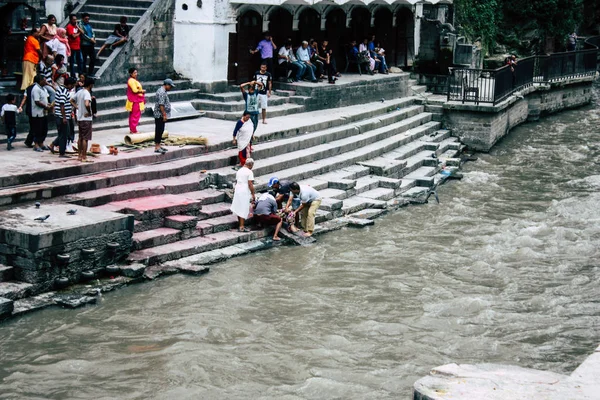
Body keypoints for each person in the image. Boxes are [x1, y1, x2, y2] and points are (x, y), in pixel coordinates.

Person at [51, 76, 76, 157]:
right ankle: (62, 152)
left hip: (61, 116)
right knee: (64, 135)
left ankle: (53, 144)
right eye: (72, 85)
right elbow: (62, 105)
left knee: (64, 133)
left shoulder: (61, 88)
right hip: (62, 116)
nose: (72, 87)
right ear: (69, 84)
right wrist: (64, 117)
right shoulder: (63, 91)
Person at [71, 77, 94, 162]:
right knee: (85, 138)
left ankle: (79, 155)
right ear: (91, 85)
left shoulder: (79, 91)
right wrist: (89, 112)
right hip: (86, 118)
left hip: (80, 117)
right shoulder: (87, 93)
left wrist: (77, 107)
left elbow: (71, 100)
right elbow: (87, 104)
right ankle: (84, 156)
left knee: (80, 137)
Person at [230, 157, 256, 232]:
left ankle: (240, 225)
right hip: (244, 190)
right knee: (243, 208)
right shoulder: (249, 172)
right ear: (250, 165)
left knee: (239, 207)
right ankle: (241, 226)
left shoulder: (239, 171)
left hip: (238, 189)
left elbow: (237, 181)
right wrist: (253, 194)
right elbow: (250, 184)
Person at [31, 74, 53, 152]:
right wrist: (45, 106)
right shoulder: (36, 89)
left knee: (44, 129)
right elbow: (37, 101)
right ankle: (36, 144)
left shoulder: (44, 89)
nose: (45, 82)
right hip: (37, 113)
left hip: (44, 113)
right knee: (38, 129)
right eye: (44, 80)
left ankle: (41, 143)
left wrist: (49, 105)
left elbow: (45, 99)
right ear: (40, 81)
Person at [153, 78, 175, 154]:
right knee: (159, 130)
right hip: (160, 115)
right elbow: (161, 105)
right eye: (170, 86)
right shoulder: (162, 92)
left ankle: (158, 145)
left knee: (161, 130)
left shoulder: (163, 91)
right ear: (166, 85)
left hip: (160, 114)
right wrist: (164, 115)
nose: (171, 88)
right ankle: (157, 147)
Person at [125, 67, 145, 134]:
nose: (136, 74)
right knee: (135, 115)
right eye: (134, 73)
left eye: (136, 72)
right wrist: (142, 91)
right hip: (135, 100)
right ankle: (133, 130)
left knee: (133, 115)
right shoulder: (131, 81)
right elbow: (134, 90)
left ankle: (132, 129)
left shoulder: (133, 80)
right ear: (131, 73)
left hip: (135, 99)